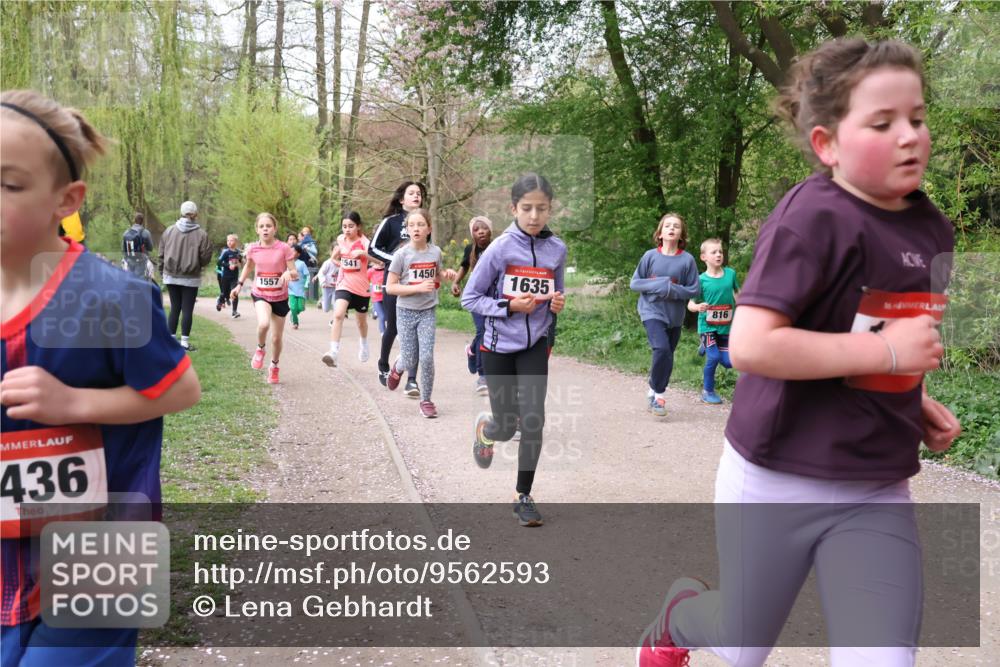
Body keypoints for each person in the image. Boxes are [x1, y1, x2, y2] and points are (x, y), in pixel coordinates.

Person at [635, 39, 962, 667]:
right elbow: (753, 344)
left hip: (876, 483)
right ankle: (679, 618)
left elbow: (881, 336)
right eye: (882, 123)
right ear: (827, 144)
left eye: (917, 118)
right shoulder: (811, 216)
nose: (909, 136)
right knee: (740, 645)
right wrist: (887, 355)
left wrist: (914, 394)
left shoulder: (932, 231)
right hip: (776, 475)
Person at [1, 89, 201, 667]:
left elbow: (182, 389)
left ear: (66, 200)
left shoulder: (110, 298)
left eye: (9, 184)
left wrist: (72, 403)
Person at [461, 173, 567, 527]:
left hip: (534, 344)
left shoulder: (557, 249)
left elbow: (556, 293)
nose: (534, 216)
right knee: (507, 426)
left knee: (534, 419)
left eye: (541, 208)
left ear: (550, 209)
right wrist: (509, 307)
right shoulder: (500, 248)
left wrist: (556, 303)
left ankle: (523, 495)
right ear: (513, 209)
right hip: (498, 346)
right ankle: (487, 430)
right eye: (527, 208)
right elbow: (470, 298)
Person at [384, 209, 457, 418]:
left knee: (426, 357)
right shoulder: (401, 255)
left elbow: (437, 274)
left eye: (421, 224)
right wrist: (417, 288)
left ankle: (426, 400)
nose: (416, 228)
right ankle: (398, 368)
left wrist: (446, 274)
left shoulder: (435, 252)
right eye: (412, 225)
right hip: (406, 311)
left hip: (427, 311)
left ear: (429, 229)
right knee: (409, 359)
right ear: (407, 230)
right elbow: (390, 287)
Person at [629, 213, 700, 417]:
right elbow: (635, 283)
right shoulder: (650, 256)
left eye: (676, 226)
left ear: (681, 234)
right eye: (667, 225)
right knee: (661, 348)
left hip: (675, 316)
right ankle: (659, 395)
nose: (671, 228)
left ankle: (653, 387)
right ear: (660, 233)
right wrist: (660, 284)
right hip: (651, 311)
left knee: (667, 353)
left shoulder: (687, 260)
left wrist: (671, 289)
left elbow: (694, 289)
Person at [369, 181, 427, 394]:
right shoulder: (390, 222)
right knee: (393, 327)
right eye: (411, 193)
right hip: (394, 281)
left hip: (417, 283)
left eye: (419, 193)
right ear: (402, 199)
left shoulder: (423, 222)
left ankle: (411, 380)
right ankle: (383, 364)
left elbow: (427, 250)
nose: (416, 196)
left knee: (415, 332)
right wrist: (395, 259)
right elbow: (373, 248)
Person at [232, 212, 298, 384]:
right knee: (263, 324)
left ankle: (274, 366)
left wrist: (288, 273)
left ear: (275, 229)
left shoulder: (284, 248)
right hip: (260, 294)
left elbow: (295, 272)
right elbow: (248, 267)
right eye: (261, 226)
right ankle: (260, 348)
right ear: (257, 230)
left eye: (268, 226)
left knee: (276, 338)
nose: (265, 229)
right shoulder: (253, 249)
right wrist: (239, 285)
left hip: (280, 296)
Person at [687, 238, 739, 404]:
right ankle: (707, 391)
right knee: (714, 357)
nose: (718, 255)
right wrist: (698, 307)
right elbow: (690, 304)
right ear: (704, 257)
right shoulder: (701, 280)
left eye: (720, 252)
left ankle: (704, 346)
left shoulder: (730, 274)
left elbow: (737, 294)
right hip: (707, 327)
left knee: (729, 363)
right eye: (714, 252)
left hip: (725, 328)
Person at [158, 200, 213, 351]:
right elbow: (206, 257)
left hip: (171, 275)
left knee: (175, 308)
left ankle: (170, 342)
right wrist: (197, 264)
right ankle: (184, 343)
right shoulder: (202, 234)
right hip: (191, 277)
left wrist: (161, 271)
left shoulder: (169, 231)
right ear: (195, 214)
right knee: (187, 309)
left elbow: (161, 254)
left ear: (181, 213)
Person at [321, 212, 370, 367]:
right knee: (338, 315)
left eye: (351, 226)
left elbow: (378, 262)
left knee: (361, 322)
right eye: (344, 226)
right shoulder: (340, 239)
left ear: (358, 226)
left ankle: (364, 344)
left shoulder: (365, 242)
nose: (347, 229)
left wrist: (364, 254)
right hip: (344, 284)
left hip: (361, 288)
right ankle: (333, 352)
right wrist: (338, 261)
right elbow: (334, 258)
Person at [451, 215, 494, 395]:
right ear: (472, 234)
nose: (481, 232)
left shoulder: (498, 246)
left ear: (490, 230)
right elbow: (464, 266)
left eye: (484, 228)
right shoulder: (471, 249)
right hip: (476, 296)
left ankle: (472, 350)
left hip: (494, 296)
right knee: (483, 330)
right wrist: (456, 282)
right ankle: (482, 376)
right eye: (476, 230)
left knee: (489, 330)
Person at [216, 234, 243, 318]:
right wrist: (228, 265)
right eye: (228, 240)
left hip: (234, 277)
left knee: (234, 293)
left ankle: (234, 312)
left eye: (231, 240)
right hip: (225, 277)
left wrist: (240, 262)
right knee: (225, 293)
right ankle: (219, 301)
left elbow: (240, 262)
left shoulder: (238, 252)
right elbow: (219, 263)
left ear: (236, 242)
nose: (229, 242)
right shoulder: (226, 252)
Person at [121, 211, 154, 281]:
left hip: (129, 261)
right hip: (141, 261)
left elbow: (123, 249)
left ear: (134, 220)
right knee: (140, 280)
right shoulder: (146, 232)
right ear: (142, 221)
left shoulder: (126, 232)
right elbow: (150, 248)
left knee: (131, 280)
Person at [314, 243, 340, 322]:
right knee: (326, 309)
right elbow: (321, 273)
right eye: (335, 250)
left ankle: (334, 321)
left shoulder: (342, 263)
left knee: (336, 305)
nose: (337, 252)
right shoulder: (328, 263)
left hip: (336, 288)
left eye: (339, 250)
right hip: (327, 287)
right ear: (331, 252)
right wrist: (323, 282)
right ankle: (322, 300)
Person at [288, 245, 309, 330]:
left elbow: (307, 275)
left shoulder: (302, 264)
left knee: (300, 308)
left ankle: (293, 314)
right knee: (293, 307)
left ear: (298, 254)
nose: (291, 252)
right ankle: (295, 322)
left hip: (300, 290)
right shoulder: (287, 263)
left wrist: (306, 284)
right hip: (291, 290)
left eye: (293, 251)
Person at [368, 259, 386, 335]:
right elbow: (366, 280)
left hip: (386, 297)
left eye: (381, 261)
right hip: (376, 297)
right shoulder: (371, 271)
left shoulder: (387, 270)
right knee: (382, 317)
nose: (380, 263)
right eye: (377, 262)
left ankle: (374, 310)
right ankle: (383, 335)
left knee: (388, 317)